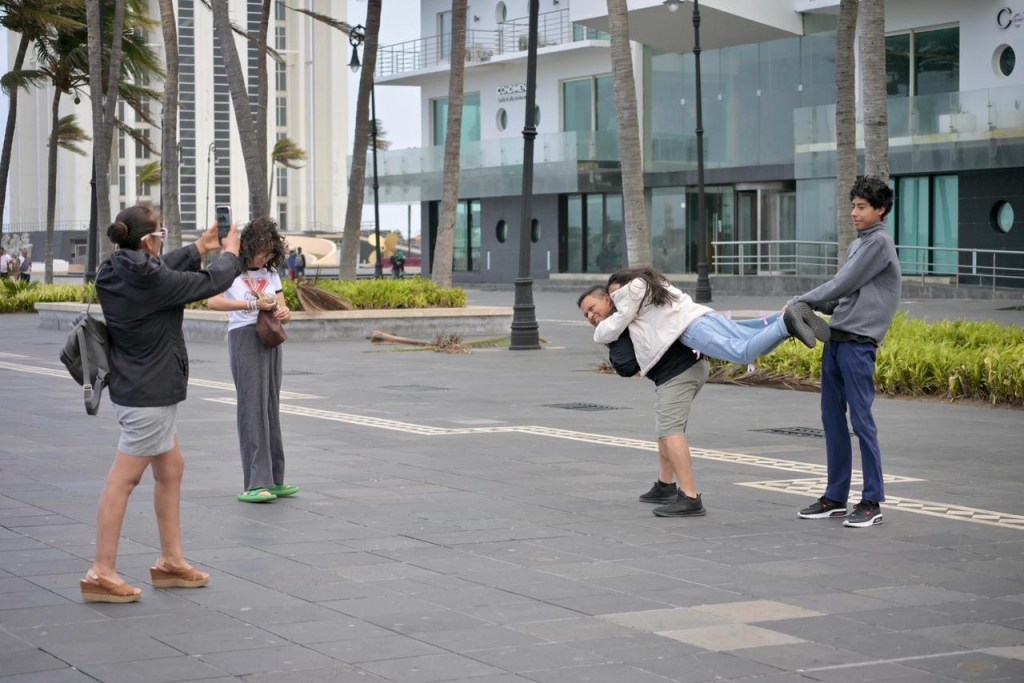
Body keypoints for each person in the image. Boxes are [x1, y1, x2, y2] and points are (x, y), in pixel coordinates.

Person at [81, 205, 241, 604]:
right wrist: (231, 254)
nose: (162, 242)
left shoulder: (114, 267)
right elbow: (207, 282)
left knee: (171, 468)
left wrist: (200, 247)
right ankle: (101, 572)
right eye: (161, 234)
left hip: (137, 386)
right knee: (123, 480)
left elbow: (162, 270)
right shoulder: (150, 279)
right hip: (149, 393)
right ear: (149, 240)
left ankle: (171, 561)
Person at [794, 177, 901, 528]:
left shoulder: (879, 243)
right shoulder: (860, 243)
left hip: (858, 344)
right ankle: (835, 497)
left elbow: (842, 283)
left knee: (862, 422)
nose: (854, 212)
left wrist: (802, 300)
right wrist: (811, 305)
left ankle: (872, 501)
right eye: (853, 206)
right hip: (837, 339)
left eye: (862, 207)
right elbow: (843, 295)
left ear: (880, 210)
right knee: (832, 420)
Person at [579, 285, 709, 517]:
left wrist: (613, 338)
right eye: (585, 314)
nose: (590, 315)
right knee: (666, 430)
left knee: (670, 431)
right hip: (687, 369)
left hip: (679, 372)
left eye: (591, 307)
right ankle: (665, 486)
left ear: (608, 299)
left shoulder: (622, 320)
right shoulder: (626, 316)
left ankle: (690, 497)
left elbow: (626, 367)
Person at [207, 218, 296, 503]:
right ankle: (256, 483)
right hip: (244, 336)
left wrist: (284, 313)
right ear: (248, 246)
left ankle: (275, 478)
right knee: (251, 407)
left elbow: (282, 305)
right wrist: (252, 304)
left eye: (269, 253)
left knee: (270, 405)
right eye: (260, 252)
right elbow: (213, 301)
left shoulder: (270, 272)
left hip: (270, 336)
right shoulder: (231, 269)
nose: (264, 259)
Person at [594, 265, 830, 370]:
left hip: (690, 330)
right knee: (753, 335)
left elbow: (607, 332)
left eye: (615, 293)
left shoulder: (631, 294)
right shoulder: (654, 286)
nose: (615, 299)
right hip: (701, 315)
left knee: (742, 353)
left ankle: (787, 323)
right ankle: (789, 318)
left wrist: (600, 327)